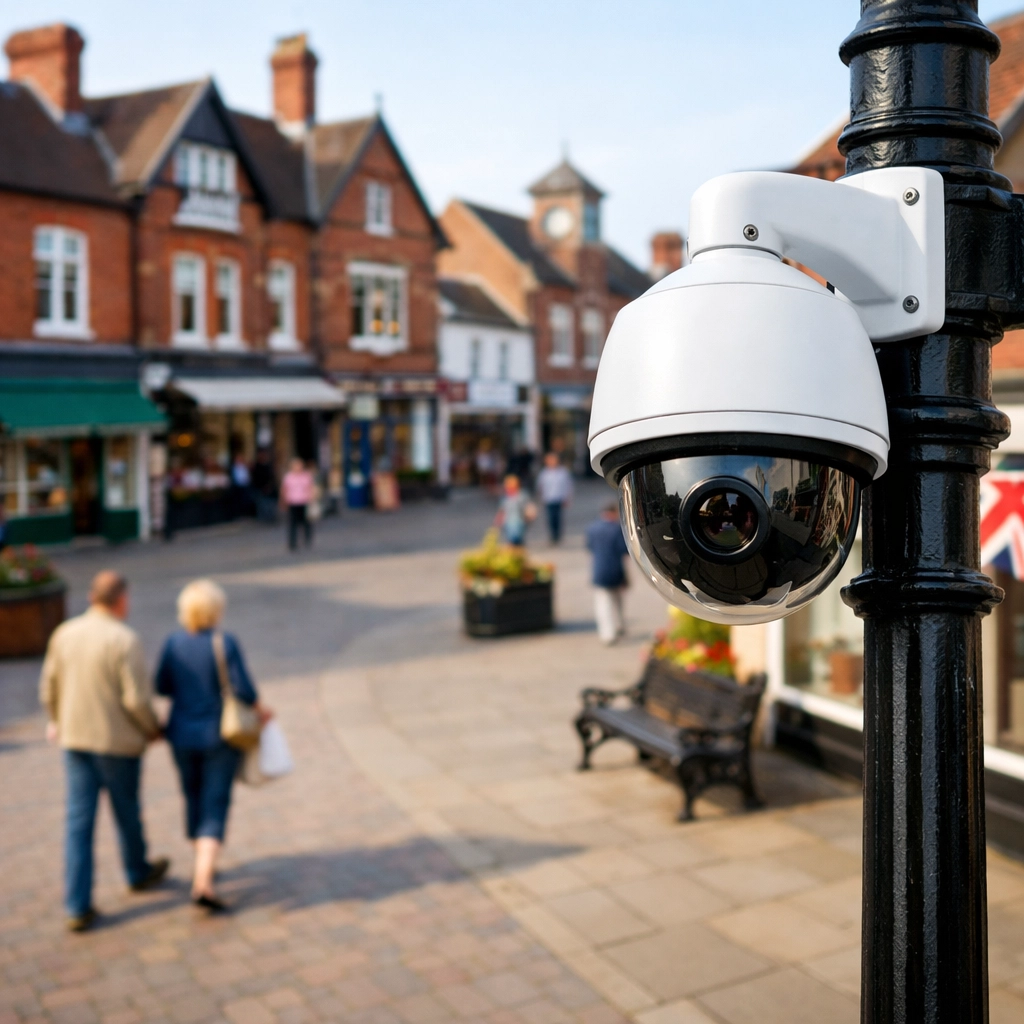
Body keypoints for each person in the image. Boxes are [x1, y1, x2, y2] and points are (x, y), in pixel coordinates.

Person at [39, 570, 169, 932]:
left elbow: (48, 689)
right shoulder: (123, 639)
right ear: (121, 600)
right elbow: (136, 700)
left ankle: (77, 904)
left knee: (78, 823)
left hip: (76, 740)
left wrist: (57, 720)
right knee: (127, 812)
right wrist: (152, 728)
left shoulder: (64, 633)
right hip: (117, 744)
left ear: (91, 598)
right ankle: (136, 870)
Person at [156, 579, 271, 912]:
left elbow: (161, 685)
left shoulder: (173, 643)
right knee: (215, 802)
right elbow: (244, 689)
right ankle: (203, 881)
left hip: (181, 734)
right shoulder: (225, 642)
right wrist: (261, 710)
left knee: (192, 796)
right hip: (219, 735)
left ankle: (201, 861)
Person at [586, 503, 630, 644]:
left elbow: (589, 547)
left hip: (599, 570)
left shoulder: (592, 528)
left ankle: (607, 633)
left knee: (603, 603)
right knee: (617, 600)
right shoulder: (616, 529)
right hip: (616, 570)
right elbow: (624, 550)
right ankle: (619, 625)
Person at [535, 452, 574, 545]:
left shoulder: (563, 472)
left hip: (559, 497)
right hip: (548, 498)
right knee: (550, 518)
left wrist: (567, 497)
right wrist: (540, 497)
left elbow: (568, 485)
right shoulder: (544, 473)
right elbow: (540, 486)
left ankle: (557, 535)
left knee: (558, 517)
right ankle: (552, 535)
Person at [280, 458, 314, 551]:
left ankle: (307, 539)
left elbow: (310, 488)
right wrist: (283, 501)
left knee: (306, 522)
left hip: (304, 501)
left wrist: (311, 498)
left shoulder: (306, 476)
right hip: (292, 502)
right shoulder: (288, 477)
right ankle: (292, 543)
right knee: (292, 524)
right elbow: (284, 489)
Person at [494, 474, 536, 546]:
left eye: (511, 487)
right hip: (508, 522)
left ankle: (518, 548)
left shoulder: (522, 496)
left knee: (518, 539)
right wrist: (498, 520)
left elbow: (528, 507)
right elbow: (502, 510)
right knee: (511, 540)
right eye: (507, 487)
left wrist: (530, 516)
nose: (508, 489)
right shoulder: (505, 498)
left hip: (520, 522)